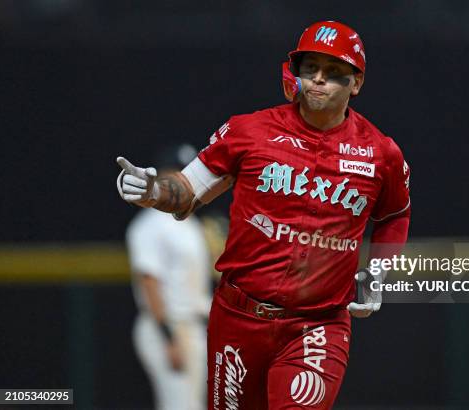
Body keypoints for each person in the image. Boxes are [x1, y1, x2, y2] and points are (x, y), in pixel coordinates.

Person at [116, 21, 411, 409]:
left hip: (317, 323)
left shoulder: (380, 153)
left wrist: (377, 273)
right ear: (296, 74)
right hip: (238, 317)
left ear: (356, 83)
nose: (319, 80)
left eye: (334, 72)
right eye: (311, 69)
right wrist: (153, 191)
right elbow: (187, 192)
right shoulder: (250, 132)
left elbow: (395, 214)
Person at [126, 144, 213, 410]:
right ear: (162, 175)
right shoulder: (149, 224)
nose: (182, 177)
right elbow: (149, 282)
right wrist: (168, 337)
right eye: (177, 171)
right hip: (169, 326)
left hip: (195, 325)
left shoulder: (190, 222)